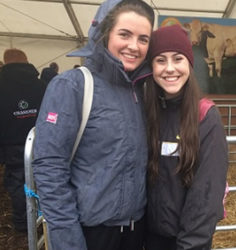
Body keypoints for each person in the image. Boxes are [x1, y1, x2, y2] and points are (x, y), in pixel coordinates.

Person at [32, 0, 154, 249]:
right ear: (104, 33)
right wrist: (68, 239)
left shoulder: (142, 91)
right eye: (125, 34)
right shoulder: (73, 86)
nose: (134, 46)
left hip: (135, 229)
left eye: (143, 39)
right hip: (89, 232)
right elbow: (49, 166)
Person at [144, 24, 229, 250]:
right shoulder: (147, 113)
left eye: (178, 59)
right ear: (151, 66)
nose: (169, 68)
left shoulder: (205, 117)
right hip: (149, 239)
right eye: (160, 60)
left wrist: (189, 245)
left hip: (187, 242)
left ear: (189, 64)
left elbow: (207, 195)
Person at [0, 48, 47, 232]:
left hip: (12, 144)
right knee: (43, 179)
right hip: (40, 142)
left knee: (18, 182)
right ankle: (44, 218)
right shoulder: (41, 85)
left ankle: (23, 224)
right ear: (26, 60)